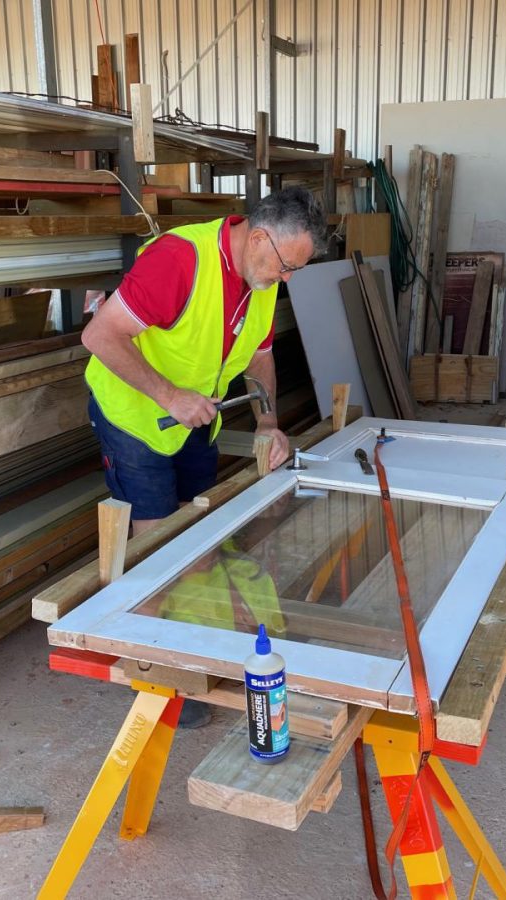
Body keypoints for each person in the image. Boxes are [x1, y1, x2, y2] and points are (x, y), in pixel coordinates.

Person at [82, 187, 325, 727]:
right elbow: (99, 335)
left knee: (198, 537)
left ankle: (197, 648)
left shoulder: (261, 278)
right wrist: (169, 396)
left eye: (296, 270)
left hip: (194, 416)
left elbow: (259, 355)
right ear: (258, 238)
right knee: (155, 547)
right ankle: (158, 678)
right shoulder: (180, 260)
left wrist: (268, 420)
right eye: (287, 266)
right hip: (134, 415)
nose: (287, 279)